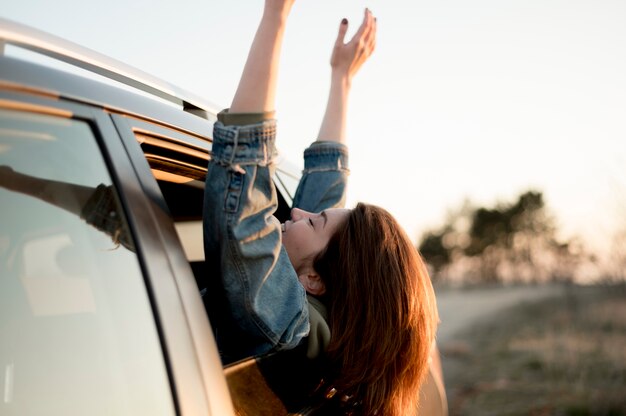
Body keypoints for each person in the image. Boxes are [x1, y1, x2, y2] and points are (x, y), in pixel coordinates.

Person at [202, 1, 439, 415]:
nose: (296, 213)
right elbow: (325, 202)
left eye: (315, 222)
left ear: (313, 280)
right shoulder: (319, 332)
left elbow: (246, 200)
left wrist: (276, 16)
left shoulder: (283, 327)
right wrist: (342, 80)